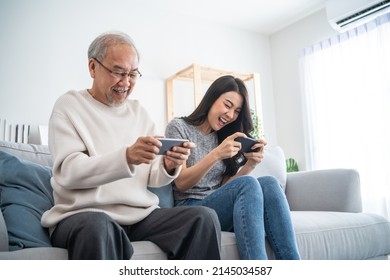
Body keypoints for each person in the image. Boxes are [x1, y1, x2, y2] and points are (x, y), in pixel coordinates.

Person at [41, 31, 221, 260]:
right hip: (82, 216)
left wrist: (168, 165)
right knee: (99, 226)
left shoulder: (140, 113)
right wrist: (126, 157)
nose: (126, 82)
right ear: (93, 68)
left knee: (202, 218)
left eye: (133, 74)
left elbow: (153, 177)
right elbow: (69, 172)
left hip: (139, 216)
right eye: (118, 72)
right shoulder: (69, 106)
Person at [165, 75, 300, 260]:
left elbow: (225, 187)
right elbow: (181, 183)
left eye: (236, 111)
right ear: (212, 99)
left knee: (269, 182)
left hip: (218, 206)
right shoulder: (179, 127)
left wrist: (250, 165)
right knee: (248, 184)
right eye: (227, 105)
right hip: (191, 210)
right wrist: (216, 154)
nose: (231, 115)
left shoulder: (224, 135)